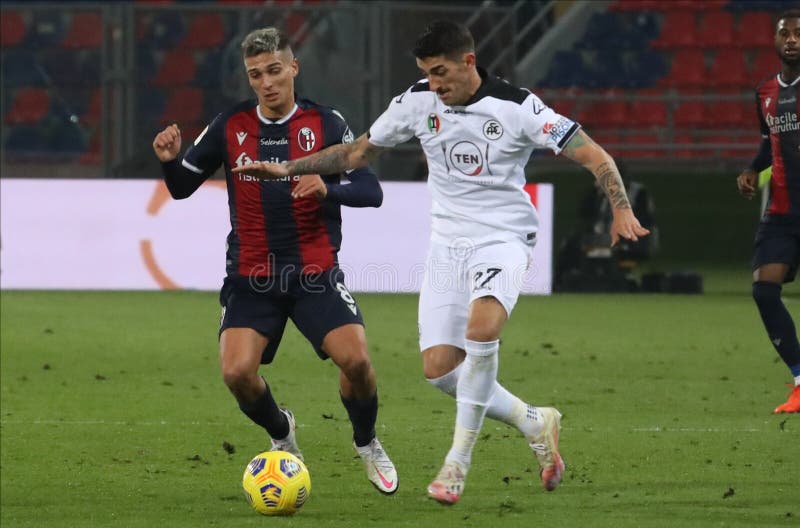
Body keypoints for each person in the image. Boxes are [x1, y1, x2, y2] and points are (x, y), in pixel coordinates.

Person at [233, 20, 649, 504]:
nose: (435, 84)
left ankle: (457, 463)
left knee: (482, 330)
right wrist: (287, 166)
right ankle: (535, 420)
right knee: (439, 370)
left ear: (468, 61)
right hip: (447, 245)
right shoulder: (417, 100)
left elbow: (592, 153)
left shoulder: (517, 107)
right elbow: (356, 152)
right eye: (426, 74)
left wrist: (621, 207)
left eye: (440, 72)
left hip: (504, 237)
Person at [151, 27, 399, 494]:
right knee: (236, 373)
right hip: (251, 275)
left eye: (273, 71)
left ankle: (366, 443)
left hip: (314, 272)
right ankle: (282, 432)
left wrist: (329, 188)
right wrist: (169, 160)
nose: (266, 82)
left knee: (359, 363)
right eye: (255, 75)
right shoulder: (230, 125)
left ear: (293, 69)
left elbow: (371, 190)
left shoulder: (326, 123)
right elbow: (182, 186)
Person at [736, 9, 800, 414]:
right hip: (781, 212)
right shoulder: (764, 93)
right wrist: (751, 169)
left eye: (798, 32)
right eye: (785, 33)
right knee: (764, 289)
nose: (791, 39)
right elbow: (769, 141)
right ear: (775, 41)